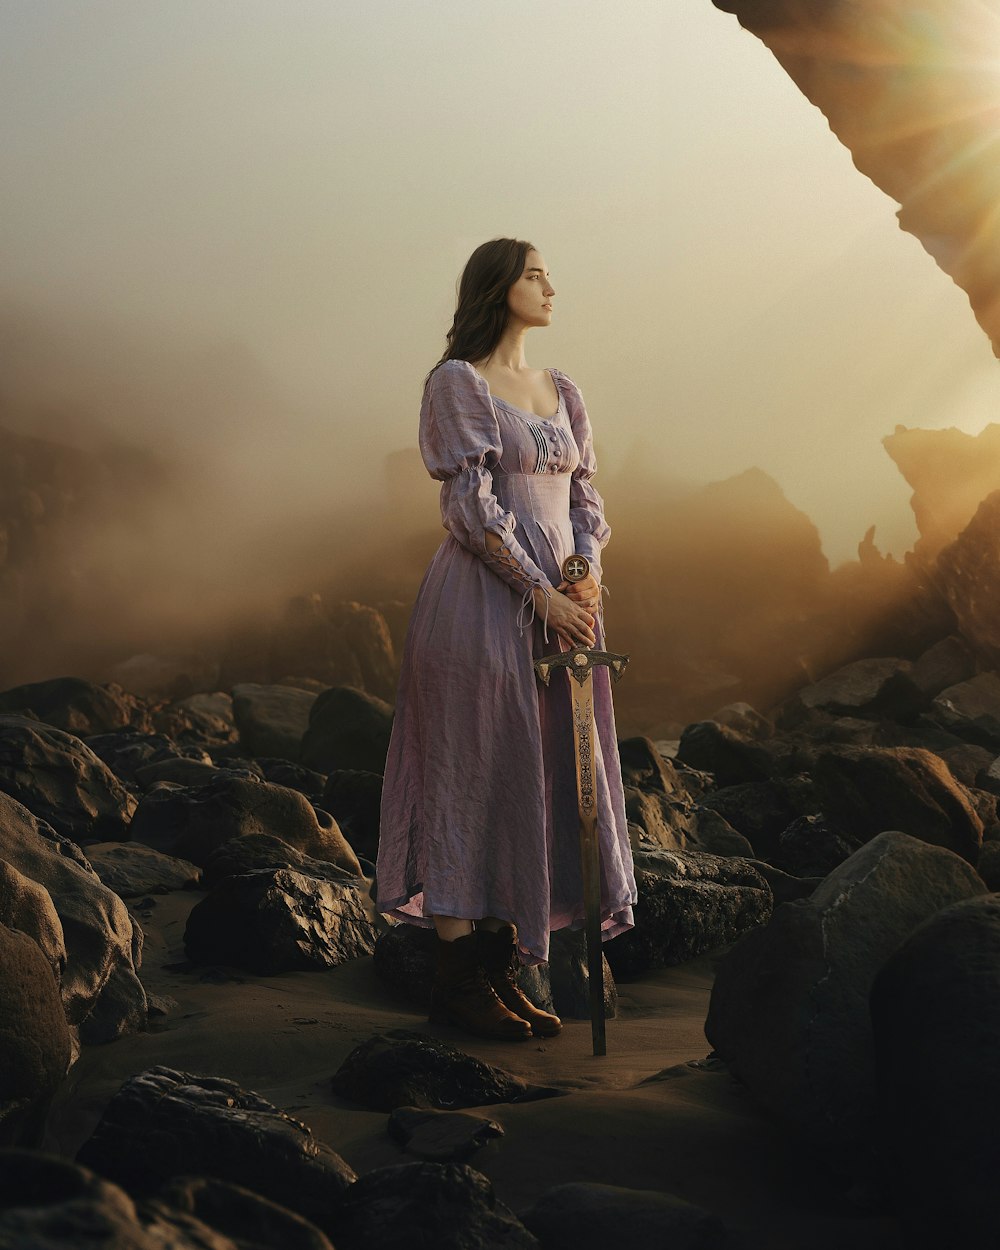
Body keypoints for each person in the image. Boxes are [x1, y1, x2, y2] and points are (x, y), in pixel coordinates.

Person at [376, 237, 637, 1042]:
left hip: (565, 613)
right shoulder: (457, 384)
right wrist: (539, 595)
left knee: (546, 774)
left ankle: (497, 968)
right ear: (498, 287)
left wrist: (587, 575)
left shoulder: (563, 389)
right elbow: (470, 507)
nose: (550, 285)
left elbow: (585, 498)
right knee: (473, 773)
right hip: (483, 610)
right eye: (533, 273)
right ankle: (457, 986)